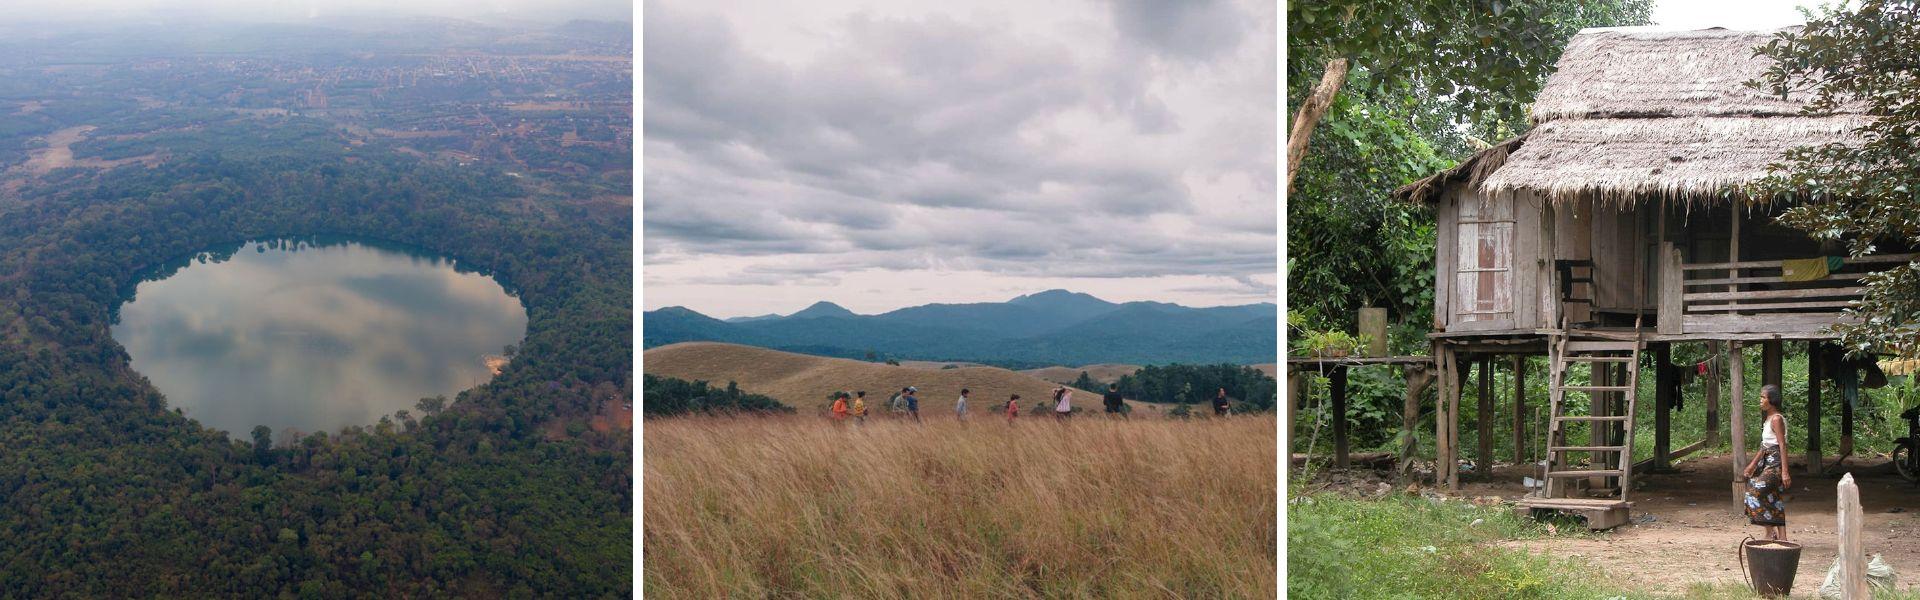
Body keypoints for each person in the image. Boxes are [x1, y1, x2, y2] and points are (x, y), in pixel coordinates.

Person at [1742, 384, 1793, 540]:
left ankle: (1770, 532)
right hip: (1766, 461)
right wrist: (1752, 465)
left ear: (1772, 400)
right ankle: (1782, 537)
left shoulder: (1777, 419)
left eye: (1763, 397)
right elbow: (1764, 446)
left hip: (1775, 463)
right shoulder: (1768, 419)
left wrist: (1784, 471)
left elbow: (1782, 445)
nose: (1760, 400)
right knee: (1774, 498)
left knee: (1753, 492)